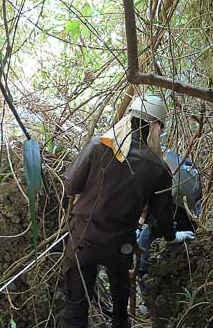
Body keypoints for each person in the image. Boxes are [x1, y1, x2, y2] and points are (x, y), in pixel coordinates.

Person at [61, 94, 195, 328]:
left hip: (83, 238)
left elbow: (71, 186)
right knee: (120, 311)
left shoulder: (98, 144)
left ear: (131, 118)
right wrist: (174, 236)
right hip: (119, 246)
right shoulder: (158, 168)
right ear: (155, 127)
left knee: (75, 310)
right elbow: (161, 219)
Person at [135, 149, 202, 314]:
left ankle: (149, 304)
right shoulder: (182, 175)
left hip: (163, 224)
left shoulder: (156, 173)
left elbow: (150, 208)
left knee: (144, 263)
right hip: (183, 223)